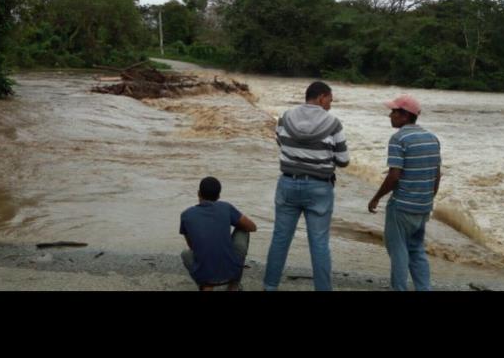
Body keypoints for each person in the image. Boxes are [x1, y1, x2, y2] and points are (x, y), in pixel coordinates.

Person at [263, 81, 350, 291]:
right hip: (319, 187)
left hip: (287, 183)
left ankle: (269, 286)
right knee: (319, 243)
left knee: (280, 238)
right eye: (330, 98)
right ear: (321, 97)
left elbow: (280, 141)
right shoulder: (333, 123)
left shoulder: (285, 117)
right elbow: (343, 160)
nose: (331, 103)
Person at [367, 94, 441, 291]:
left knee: (398, 251)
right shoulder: (432, 138)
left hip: (401, 207)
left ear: (405, 116)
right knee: (416, 250)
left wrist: (376, 198)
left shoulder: (398, 138)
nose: (390, 115)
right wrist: (428, 200)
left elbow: (394, 176)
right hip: (423, 207)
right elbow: (437, 175)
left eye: (393, 112)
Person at [180, 176, 257, 291]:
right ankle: (233, 285)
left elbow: (192, 246)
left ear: (198, 193)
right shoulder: (226, 207)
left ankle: (207, 286)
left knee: (186, 254)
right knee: (243, 229)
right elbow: (252, 227)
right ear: (219, 196)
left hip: (204, 275)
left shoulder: (186, 215)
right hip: (232, 272)